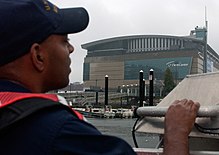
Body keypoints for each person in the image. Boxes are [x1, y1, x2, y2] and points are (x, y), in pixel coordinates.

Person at [0, 0, 136, 154]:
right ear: (38, 56)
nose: (71, 49)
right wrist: (170, 136)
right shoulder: (61, 133)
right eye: (65, 41)